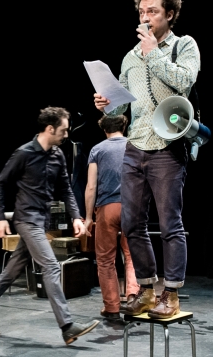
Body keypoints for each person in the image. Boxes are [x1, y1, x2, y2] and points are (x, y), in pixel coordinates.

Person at [93, 0, 201, 319]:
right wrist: (106, 103)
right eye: (141, 12)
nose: (145, 17)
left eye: (152, 11)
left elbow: (184, 82)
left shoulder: (183, 45)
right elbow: (121, 107)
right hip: (135, 145)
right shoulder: (130, 57)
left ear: (169, 14)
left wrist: (153, 51)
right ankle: (147, 289)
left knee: (170, 225)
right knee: (131, 224)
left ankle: (172, 294)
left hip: (167, 147)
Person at [0, 106, 100, 345]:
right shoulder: (24, 153)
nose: (67, 134)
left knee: (9, 273)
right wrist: (0, 217)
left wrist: (76, 216)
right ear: (50, 129)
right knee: (51, 266)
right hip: (26, 219)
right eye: (63, 130)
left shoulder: (57, 155)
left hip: (41, 222)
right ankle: (67, 326)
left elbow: (65, 188)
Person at [84, 114, 140, 320]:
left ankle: (112, 307)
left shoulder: (97, 150)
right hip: (132, 206)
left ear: (103, 129)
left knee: (106, 259)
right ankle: (134, 299)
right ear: (124, 126)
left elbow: (91, 186)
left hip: (107, 208)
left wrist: (88, 217)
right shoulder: (135, 145)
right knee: (133, 255)